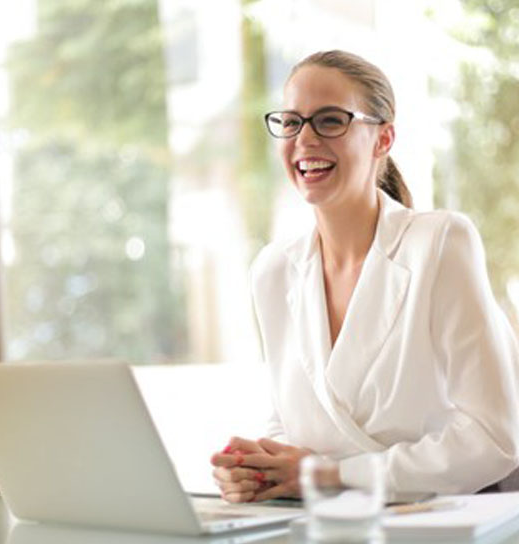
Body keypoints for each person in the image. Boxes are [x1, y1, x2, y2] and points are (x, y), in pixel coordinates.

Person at [210, 50, 519, 503]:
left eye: (330, 121)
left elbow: (495, 438)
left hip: (439, 522)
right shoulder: (273, 271)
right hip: (327, 524)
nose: (305, 139)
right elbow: (290, 422)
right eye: (292, 122)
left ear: (383, 139)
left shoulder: (439, 243)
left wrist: (329, 475)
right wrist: (258, 469)